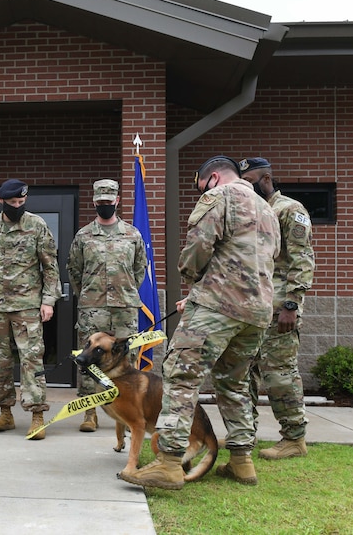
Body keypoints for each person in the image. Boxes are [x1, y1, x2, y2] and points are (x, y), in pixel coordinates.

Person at [119, 155, 280, 490]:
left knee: (180, 378)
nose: (200, 191)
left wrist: (193, 279)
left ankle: (168, 463)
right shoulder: (267, 208)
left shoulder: (218, 197)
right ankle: (241, 461)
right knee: (233, 384)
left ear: (213, 178)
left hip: (217, 305)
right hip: (257, 312)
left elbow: (197, 249)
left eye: (200, 185)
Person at [0, 178, 61, 440]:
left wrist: (49, 300)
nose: (18, 206)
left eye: (21, 202)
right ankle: (5, 413)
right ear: (1, 202)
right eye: (13, 203)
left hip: (28, 306)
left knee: (31, 360)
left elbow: (50, 266)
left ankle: (37, 415)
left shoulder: (36, 225)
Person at [240, 157, 315, 459]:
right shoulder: (249, 212)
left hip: (279, 306)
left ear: (267, 179)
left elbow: (302, 259)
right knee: (245, 372)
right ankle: (244, 437)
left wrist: (291, 305)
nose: (247, 186)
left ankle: (294, 438)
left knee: (280, 374)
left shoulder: (290, 210)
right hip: (251, 308)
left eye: (251, 180)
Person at [67, 178, 147, 432]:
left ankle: (126, 411)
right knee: (88, 359)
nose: (104, 205)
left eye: (108, 202)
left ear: (117, 201)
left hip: (124, 308)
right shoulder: (83, 236)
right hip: (93, 308)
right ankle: (89, 414)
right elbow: (74, 270)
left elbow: (139, 270)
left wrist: (125, 291)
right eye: (100, 202)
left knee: (127, 359)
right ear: (94, 202)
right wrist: (89, 296)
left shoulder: (132, 234)